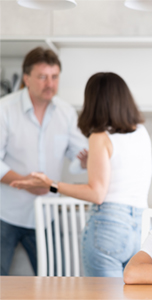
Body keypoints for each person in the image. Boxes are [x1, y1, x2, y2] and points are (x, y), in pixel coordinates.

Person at [11, 72, 152, 277]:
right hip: (140, 228)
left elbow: (97, 194)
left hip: (109, 226)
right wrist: (92, 164)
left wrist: (51, 184)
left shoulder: (100, 137)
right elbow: (123, 171)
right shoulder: (141, 132)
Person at [0, 47, 88, 276]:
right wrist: (25, 182)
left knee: (55, 281)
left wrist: (89, 160)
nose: (50, 83)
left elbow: (79, 156)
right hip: (5, 213)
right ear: (27, 79)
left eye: (54, 76)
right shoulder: (5, 110)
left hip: (46, 215)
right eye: (42, 77)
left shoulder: (66, 113)